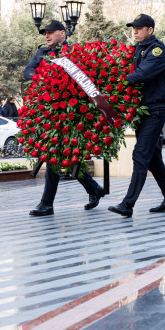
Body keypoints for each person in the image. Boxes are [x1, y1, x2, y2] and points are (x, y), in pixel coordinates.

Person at [27, 20, 105, 216]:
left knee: (54, 154)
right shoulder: (42, 53)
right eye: (45, 33)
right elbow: (27, 71)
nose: (46, 36)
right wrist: (46, 76)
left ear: (63, 34)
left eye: (51, 32)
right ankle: (93, 188)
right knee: (65, 156)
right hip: (50, 110)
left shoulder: (74, 53)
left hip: (71, 111)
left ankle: (47, 203)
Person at [109, 14, 165, 217]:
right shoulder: (138, 49)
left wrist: (116, 83)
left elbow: (142, 74)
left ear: (150, 30)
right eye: (133, 28)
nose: (135, 31)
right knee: (152, 156)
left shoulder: (158, 50)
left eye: (139, 28)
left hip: (155, 110)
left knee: (140, 154)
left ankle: (128, 204)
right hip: (143, 110)